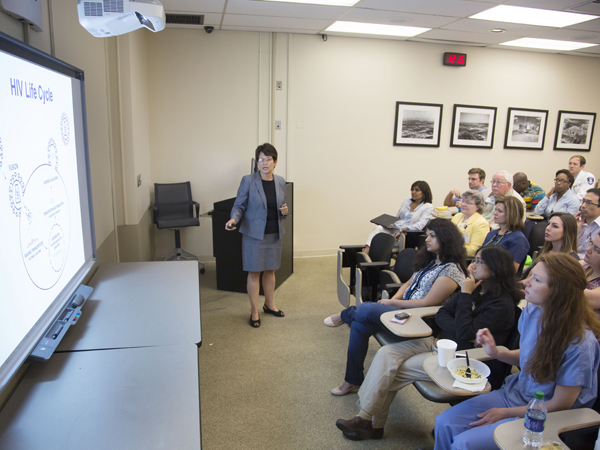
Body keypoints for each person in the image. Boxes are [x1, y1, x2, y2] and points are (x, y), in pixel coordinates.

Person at [334, 246, 519, 441]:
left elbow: (465, 332)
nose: (472, 266)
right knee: (387, 353)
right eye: (475, 260)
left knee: (392, 369)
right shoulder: (476, 289)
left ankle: (369, 423)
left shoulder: (500, 304)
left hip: (459, 358)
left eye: (480, 262)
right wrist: (461, 322)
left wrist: (464, 296)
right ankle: (367, 421)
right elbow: (442, 314)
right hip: (437, 342)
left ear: (496, 269)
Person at [434, 253, 600, 450]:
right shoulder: (533, 312)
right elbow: (531, 356)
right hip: (516, 393)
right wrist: (496, 352)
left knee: (464, 443)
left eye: (536, 280)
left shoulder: (579, 343)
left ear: (559, 292)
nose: (526, 283)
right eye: (531, 276)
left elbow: (561, 404)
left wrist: (507, 413)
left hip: (544, 414)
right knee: (443, 423)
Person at [324, 219, 467, 396]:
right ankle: (352, 381)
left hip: (420, 320)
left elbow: (427, 303)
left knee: (365, 310)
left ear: (446, 239)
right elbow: (407, 283)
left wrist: (392, 303)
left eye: (432, 236)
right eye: (427, 235)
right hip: (403, 312)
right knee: (359, 325)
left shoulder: (452, 270)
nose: (427, 239)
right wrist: (395, 298)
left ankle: (345, 315)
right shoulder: (431, 259)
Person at [225, 143, 288, 328]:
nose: (264, 163)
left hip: (274, 233)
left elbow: (282, 210)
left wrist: (284, 212)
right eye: (261, 159)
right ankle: (254, 311)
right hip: (254, 235)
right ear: (257, 162)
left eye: (268, 159)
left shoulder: (280, 181)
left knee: (270, 271)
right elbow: (239, 206)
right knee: (254, 273)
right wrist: (233, 220)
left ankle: (269, 304)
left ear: (275, 162)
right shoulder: (248, 181)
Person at [364, 181, 434, 253]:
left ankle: (367, 256)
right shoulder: (407, 201)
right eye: (412, 189)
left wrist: (403, 229)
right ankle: (366, 251)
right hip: (395, 228)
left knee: (384, 243)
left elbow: (420, 225)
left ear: (424, 192)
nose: (413, 192)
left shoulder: (428, 207)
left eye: (417, 190)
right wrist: (385, 221)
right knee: (378, 228)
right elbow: (398, 216)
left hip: (406, 234)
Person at [482, 196, 530, 272]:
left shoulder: (518, 239)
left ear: (512, 214)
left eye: (500, 211)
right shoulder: (492, 234)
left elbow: (511, 270)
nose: (495, 213)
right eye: (495, 210)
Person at [450, 189, 489, 258]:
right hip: (451, 255)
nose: (463, 204)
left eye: (468, 202)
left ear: (477, 206)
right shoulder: (457, 216)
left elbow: (474, 250)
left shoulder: (481, 223)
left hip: (465, 259)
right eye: (463, 201)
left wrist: (449, 248)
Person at [576, 188, 600, 259]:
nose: (583, 205)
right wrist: (574, 230)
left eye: (589, 203)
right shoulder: (578, 223)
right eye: (583, 201)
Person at [583, 234, 600, 317]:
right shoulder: (586, 266)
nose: (588, 249)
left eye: (596, 249)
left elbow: (581, 297)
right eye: (591, 243)